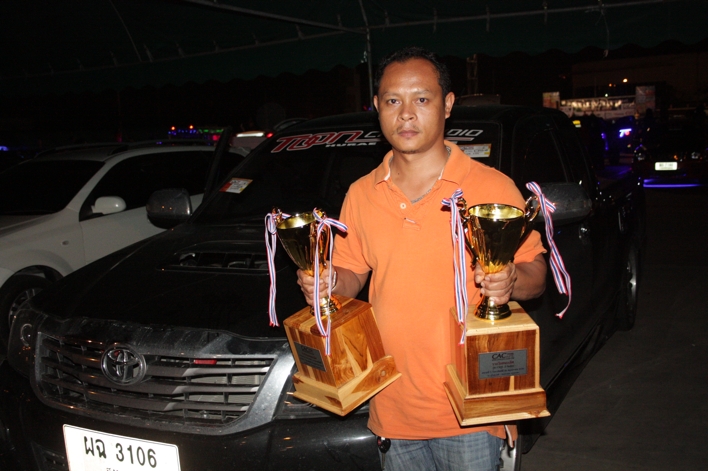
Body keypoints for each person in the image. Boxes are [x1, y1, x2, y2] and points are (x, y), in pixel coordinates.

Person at [297, 47, 547, 471]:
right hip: (392, 409)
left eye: (422, 99)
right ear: (377, 106)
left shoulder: (491, 187)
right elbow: (353, 273)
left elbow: (536, 274)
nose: (406, 114)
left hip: (470, 411)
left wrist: (510, 280)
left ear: (447, 105)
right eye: (393, 100)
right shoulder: (361, 193)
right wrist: (327, 282)